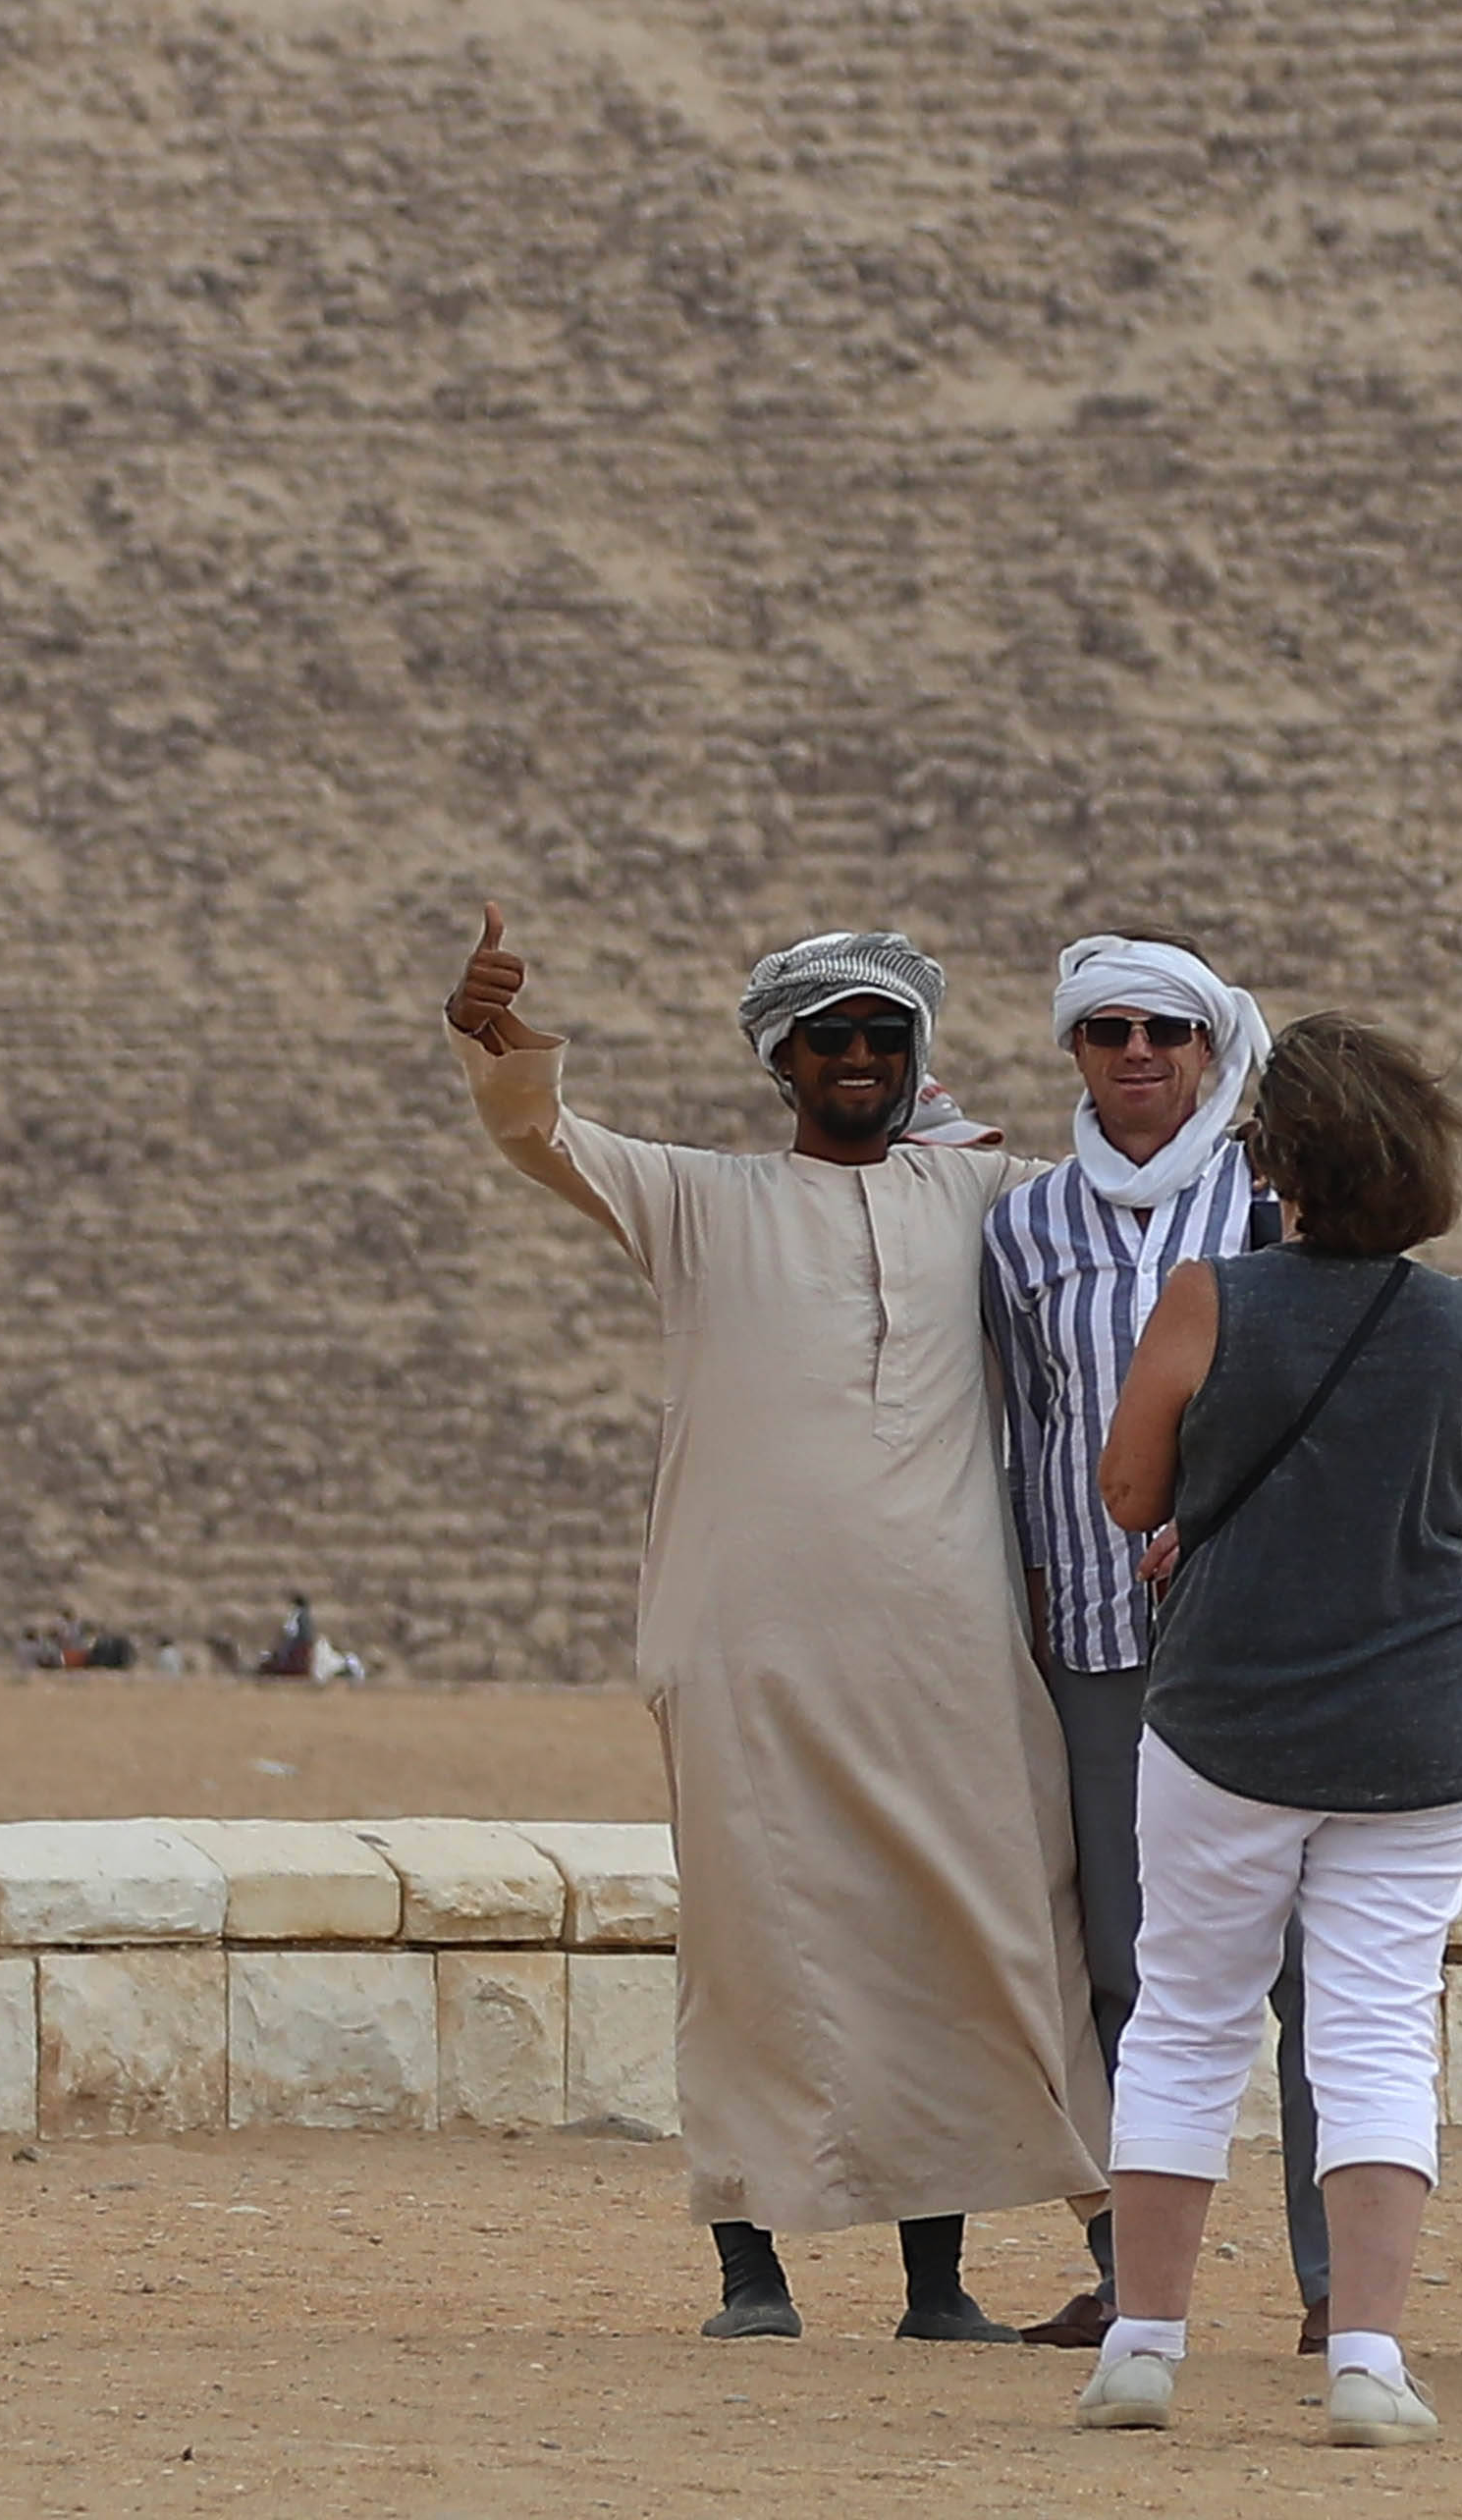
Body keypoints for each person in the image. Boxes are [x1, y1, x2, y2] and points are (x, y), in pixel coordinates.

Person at [449, 907, 1100, 2341]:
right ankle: (752, 2267)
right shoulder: (696, 1199)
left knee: (960, 1941)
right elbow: (543, 1136)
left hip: (944, 1645)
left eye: (884, 1036)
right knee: (754, 1952)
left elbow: (1149, 1195)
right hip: (747, 1646)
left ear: (917, 1054)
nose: (859, 1058)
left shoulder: (991, 1196)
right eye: (831, 1039)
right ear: (781, 1060)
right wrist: (495, 1034)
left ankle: (940, 2282)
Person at [1065, 1015, 1462, 2450]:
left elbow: (1129, 1495)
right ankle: (1367, 2356)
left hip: (1229, 1719)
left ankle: (1142, 2343)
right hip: (1421, 1727)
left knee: (1188, 2021)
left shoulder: (1210, 1297)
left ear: (1275, 1160)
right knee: (1377, 2037)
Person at [983, 934, 1326, 2349]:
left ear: (1211, 1048)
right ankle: (1138, 2280)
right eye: (1108, 1030)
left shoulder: (1278, 1210)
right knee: (1125, 1966)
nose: (1137, 1055)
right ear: (1073, 1050)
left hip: (1262, 1638)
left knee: (1314, 1975)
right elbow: (1015, 1426)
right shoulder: (1022, 1227)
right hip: (1100, 1647)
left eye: (1167, 1032)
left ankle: (1330, 2287)